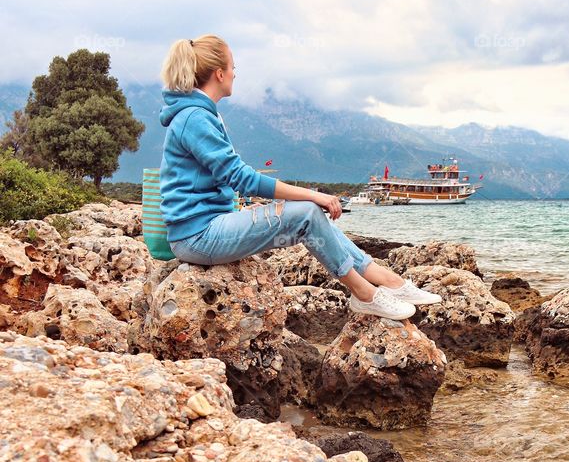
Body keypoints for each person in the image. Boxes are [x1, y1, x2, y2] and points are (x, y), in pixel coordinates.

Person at [158, 34, 440, 320]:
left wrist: (239, 213)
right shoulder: (195, 117)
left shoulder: (200, 114)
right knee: (306, 213)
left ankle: (388, 280)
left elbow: (210, 183)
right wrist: (313, 194)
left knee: (309, 214)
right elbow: (241, 178)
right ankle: (364, 294)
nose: (235, 73)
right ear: (219, 73)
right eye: (233, 67)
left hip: (209, 227)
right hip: (197, 237)